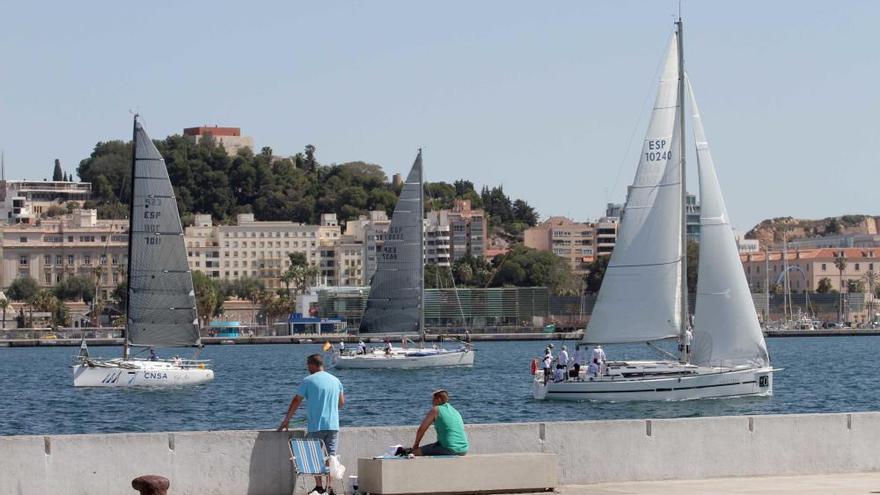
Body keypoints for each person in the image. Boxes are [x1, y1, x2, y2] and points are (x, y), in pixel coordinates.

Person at [277, 354, 345, 495]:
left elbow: (296, 400)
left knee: (313, 457)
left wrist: (286, 420)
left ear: (313, 364)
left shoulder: (308, 380)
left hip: (316, 426)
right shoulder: (336, 380)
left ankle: (319, 487)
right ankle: (330, 488)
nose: (307, 368)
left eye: (308, 365)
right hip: (333, 426)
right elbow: (341, 403)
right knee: (331, 458)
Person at [410, 389, 468, 456]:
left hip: (449, 449)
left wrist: (415, 445)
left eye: (433, 399)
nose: (432, 402)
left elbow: (421, 429)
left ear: (438, 399)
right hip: (464, 449)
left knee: (413, 453)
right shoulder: (455, 411)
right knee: (433, 446)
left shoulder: (436, 410)